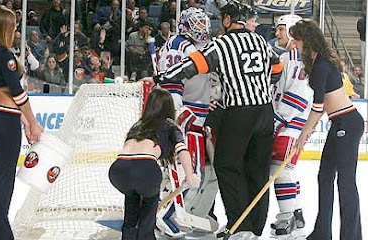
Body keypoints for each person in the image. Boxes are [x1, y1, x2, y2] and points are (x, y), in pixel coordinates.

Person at [149, 1, 282, 238]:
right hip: (265, 112)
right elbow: (277, 67)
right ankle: (255, 226)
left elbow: (191, 66)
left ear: (229, 20)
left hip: (239, 113)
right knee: (258, 169)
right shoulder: (260, 40)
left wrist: (161, 77)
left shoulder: (223, 44)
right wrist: (260, 86)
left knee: (227, 166)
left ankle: (240, 226)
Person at [0, 6, 43, 240]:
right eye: (13, 25)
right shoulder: (4, 55)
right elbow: (18, 93)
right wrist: (32, 122)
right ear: (5, 27)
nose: (16, 30)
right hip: (5, 120)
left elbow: (7, 94)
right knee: (4, 181)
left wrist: (24, 120)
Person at [291, 19, 364, 240]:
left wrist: (304, 133)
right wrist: (309, 129)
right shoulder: (318, 63)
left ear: (307, 40)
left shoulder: (322, 65)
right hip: (338, 123)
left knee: (346, 181)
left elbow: (318, 106)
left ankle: (351, 236)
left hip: (348, 124)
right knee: (325, 176)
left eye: (297, 40)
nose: (295, 45)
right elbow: (323, 108)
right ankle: (322, 232)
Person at [156, 7, 219, 237]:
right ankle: (164, 214)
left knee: (197, 172)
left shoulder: (193, 46)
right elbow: (173, 87)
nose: (203, 28)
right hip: (184, 120)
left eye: (203, 23)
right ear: (185, 25)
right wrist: (177, 123)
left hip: (195, 120)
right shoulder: (178, 46)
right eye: (197, 24)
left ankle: (175, 212)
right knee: (185, 170)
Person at [108, 88, 200, 240]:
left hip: (118, 170)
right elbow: (182, 150)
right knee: (148, 213)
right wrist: (190, 175)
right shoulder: (170, 124)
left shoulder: (138, 125)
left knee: (132, 206)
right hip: (145, 169)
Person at [269, 14, 311, 237]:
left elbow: (298, 96)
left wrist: (278, 120)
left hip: (291, 123)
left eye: (281, 29)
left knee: (280, 170)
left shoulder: (296, 57)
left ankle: (287, 218)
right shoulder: (290, 56)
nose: (277, 33)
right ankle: (296, 213)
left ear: (294, 31)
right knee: (287, 170)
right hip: (292, 123)